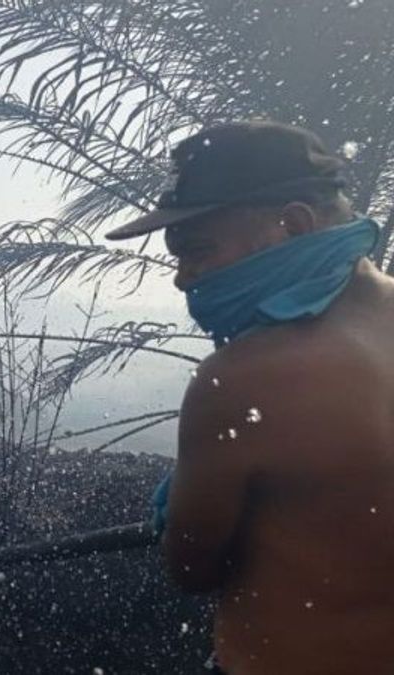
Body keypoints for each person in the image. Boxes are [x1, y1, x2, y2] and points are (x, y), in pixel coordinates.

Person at [106, 121, 394, 674]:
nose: (183, 279)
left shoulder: (243, 380)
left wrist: (181, 507)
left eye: (197, 249)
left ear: (292, 224)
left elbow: (191, 569)